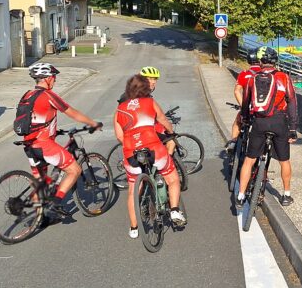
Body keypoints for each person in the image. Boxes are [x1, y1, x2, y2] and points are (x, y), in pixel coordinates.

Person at [19, 63, 102, 218]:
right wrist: (93, 123)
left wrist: (53, 131)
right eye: (54, 77)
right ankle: (55, 203)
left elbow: (33, 119)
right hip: (44, 145)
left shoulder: (27, 95)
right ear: (48, 78)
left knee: (40, 184)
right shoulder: (48, 95)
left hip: (29, 145)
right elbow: (72, 113)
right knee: (74, 170)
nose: (55, 80)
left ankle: (39, 219)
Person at [114, 73, 185, 238]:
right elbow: (163, 120)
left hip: (131, 153)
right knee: (173, 179)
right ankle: (174, 210)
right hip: (154, 149)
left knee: (133, 191)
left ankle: (133, 228)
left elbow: (119, 136)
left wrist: (133, 142)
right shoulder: (150, 102)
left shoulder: (120, 109)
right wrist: (171, 132)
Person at [236, 47, 298, 207]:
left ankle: (240, 196)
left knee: (249, 160)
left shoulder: (253, 78)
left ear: (260, 62)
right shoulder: (284, 77)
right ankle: (286, 195)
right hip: (279, 122)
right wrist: (292, 129)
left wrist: (245, 119)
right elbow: (292, 102)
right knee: (284, 160)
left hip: (259, 122)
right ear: (275, 61)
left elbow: (246, 102)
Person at [226, 49, 263, 150]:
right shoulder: (266, 74)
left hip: (249, 108)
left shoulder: (244, 74)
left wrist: (243, 106)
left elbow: (236, 91)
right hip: (263, 108)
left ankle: (233, 142)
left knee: (237, 122)